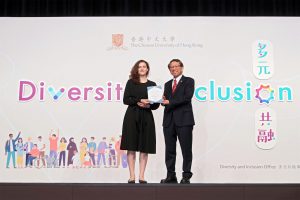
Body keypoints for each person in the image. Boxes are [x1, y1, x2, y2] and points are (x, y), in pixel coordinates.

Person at [120, 60, 160, 184]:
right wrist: (139, 100)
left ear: (147, 69)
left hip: (146, 116)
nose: (142, 68)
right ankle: (132, 176)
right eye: (139, 67)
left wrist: (149, 106)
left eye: (144, 67)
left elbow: (156, 105)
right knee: (131, 147)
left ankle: (142, 176)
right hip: (132, 116)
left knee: (145, 147)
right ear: (136, 69)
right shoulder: (131, 82)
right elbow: (126, 99)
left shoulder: (153, 84)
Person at [161, 59, 195, 184]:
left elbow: (187, 97)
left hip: (184, 121)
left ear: (182, 67)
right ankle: (171, 175)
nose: (174, 69)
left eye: (176, 66)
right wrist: (161, 100)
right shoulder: (167, 84)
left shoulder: (189, 81)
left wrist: (169, 101)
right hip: (169, 121)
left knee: (186, 149)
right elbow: (166, 102)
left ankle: (186, 175)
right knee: (169, 150)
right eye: (171, 67)